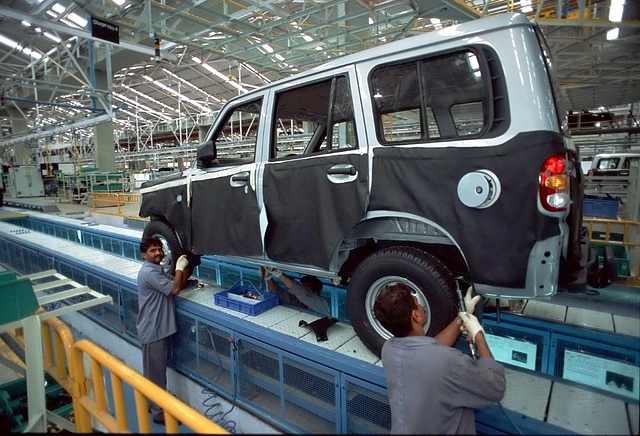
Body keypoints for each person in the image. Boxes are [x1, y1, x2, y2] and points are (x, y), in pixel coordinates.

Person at [373, 283, 506, 434]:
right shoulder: (450, 361)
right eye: (417, 304)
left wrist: (461, 317)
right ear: (415, 316)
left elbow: (429, 350)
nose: (421, 305)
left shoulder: (389, 349)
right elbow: (496, 387)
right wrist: (478, 334)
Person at [136, 236, 191, 426]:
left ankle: (149, 402)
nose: (158, 252)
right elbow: (175, 289)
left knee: (153, 371)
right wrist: (178, 267)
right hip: (153, 330)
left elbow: (178, 282)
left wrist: (184, 267)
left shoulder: (156, 271)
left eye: (159, 249)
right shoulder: (149, 273)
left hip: (158, 329)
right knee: (156, 374)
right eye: (152, 250)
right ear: (144, 255)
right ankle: (159, 414)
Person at [259, 266, 330, 317]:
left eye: (305, 287)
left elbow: (301, 292)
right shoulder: (297, 300)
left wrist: (279, 273)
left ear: (315, 292)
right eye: (302, 286)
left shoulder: (321, 303)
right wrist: (268, 277)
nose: (302, 288)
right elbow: (276, 291)